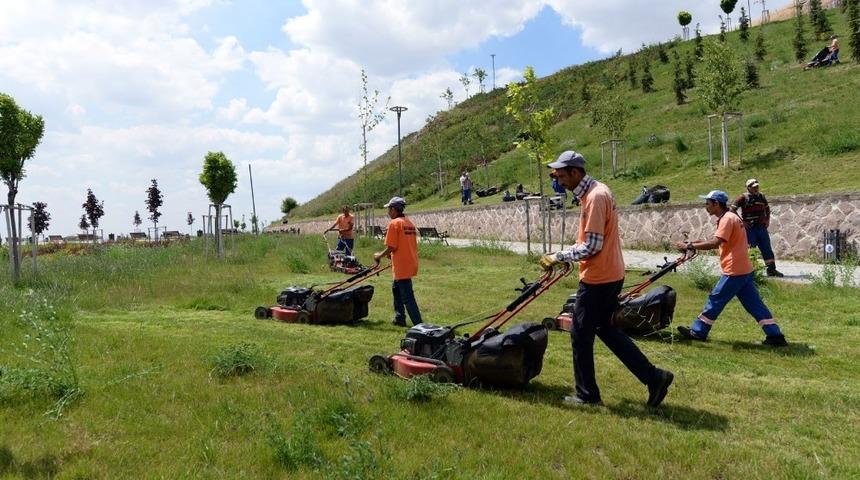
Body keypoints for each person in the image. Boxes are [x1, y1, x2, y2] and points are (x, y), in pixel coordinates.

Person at [539, 151, 674, 408]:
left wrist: (559, 255)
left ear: (576, 173)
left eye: (561, 175)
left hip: (599, 277)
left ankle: (587, 396)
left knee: (580, 334)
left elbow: (592, 246)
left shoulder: (596, 197)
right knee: (606, 328)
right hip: (609, 273)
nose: (558, 180)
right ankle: (654, 377)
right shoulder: (594, 193)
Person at [675, 190, 788, 347]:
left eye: (707, 203)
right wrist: (692, 242)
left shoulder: (727, 219)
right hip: (744, 269)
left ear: (716, 204)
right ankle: (776, 336)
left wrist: (689, 245)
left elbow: (715, 243)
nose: (705, 207)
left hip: (734, 270)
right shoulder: (731, 217)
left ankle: (698, 331)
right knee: (755, 304)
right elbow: (718, 240)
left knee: (716, 298)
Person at [373, 197, 422, 327]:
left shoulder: (394, 224)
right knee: (396, 289)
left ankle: (419, 325)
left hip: (402, 265)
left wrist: (379, 255)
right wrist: (391, 256)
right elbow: (402, 244)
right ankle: (400, 318)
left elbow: (391, 247)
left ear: (394, 209)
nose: (388, 212)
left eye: (389, 209)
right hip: (410, 261)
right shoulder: (409, 223)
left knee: (407, 297)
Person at [730, 179, 783, 277]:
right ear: (748, 188)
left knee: (767, 248)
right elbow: (732, 209)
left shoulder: (761, 196)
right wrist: (742, 222)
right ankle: (750, 272)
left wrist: (767, 220)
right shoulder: (742, 197)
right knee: (751, 250)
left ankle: (771, 270)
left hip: (761, 228)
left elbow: (767, 208)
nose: (756, 188)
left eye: (757, 187)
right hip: (750, 229)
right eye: (754, 187)